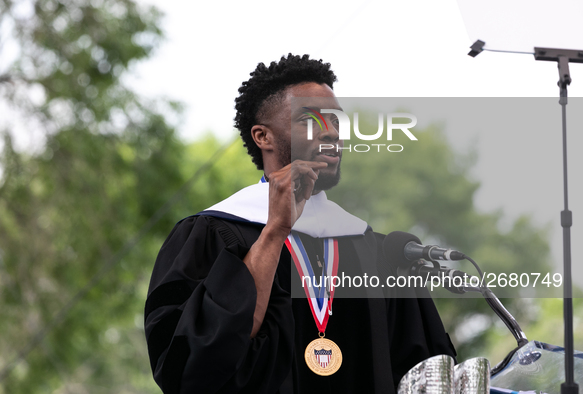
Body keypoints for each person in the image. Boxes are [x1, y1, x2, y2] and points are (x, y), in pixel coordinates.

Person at [144, 54, 456, 394]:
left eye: (336, 122)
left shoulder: (374, 248)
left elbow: (424, 371)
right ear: (263, 136)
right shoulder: (213, 234)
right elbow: (192, 366)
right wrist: (276, 230)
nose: (332, 133)